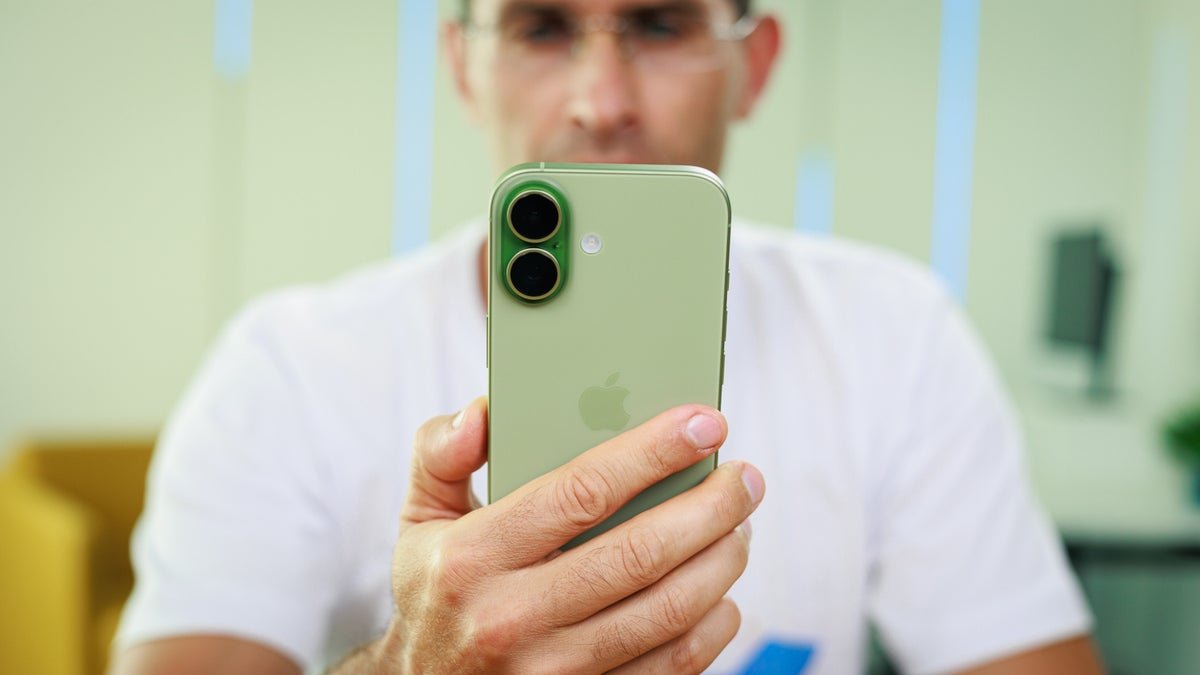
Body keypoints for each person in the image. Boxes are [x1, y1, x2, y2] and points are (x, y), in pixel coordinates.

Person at [112, 1, 1105, 673]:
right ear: (463, 66)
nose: (604, 103)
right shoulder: (288, 367)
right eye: (541, 27)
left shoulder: (896, 332)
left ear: (754, 64)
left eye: (660, 24)